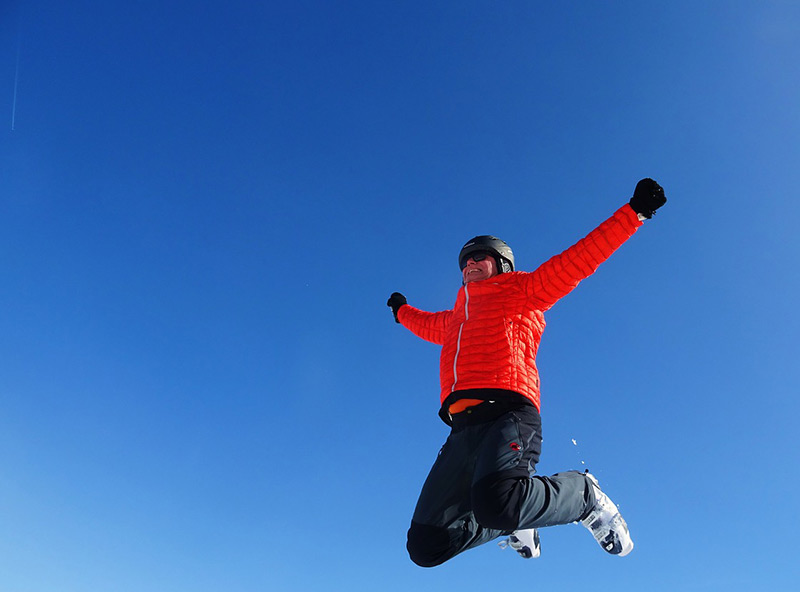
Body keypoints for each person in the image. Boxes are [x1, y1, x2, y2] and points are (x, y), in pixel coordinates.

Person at [386, 178, 666, 567]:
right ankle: (517, 521)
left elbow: (577, 261)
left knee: (499, 501)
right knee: (426, 545)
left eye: (479, 257)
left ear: (500, 264)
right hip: (463, 428)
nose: (469, 264)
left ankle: (584, 495)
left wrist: (633, 213)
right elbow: (424, 324)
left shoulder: (522, 291)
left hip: (508, 411)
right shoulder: (454, 320)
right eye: (465, 261)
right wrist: (401, 312)